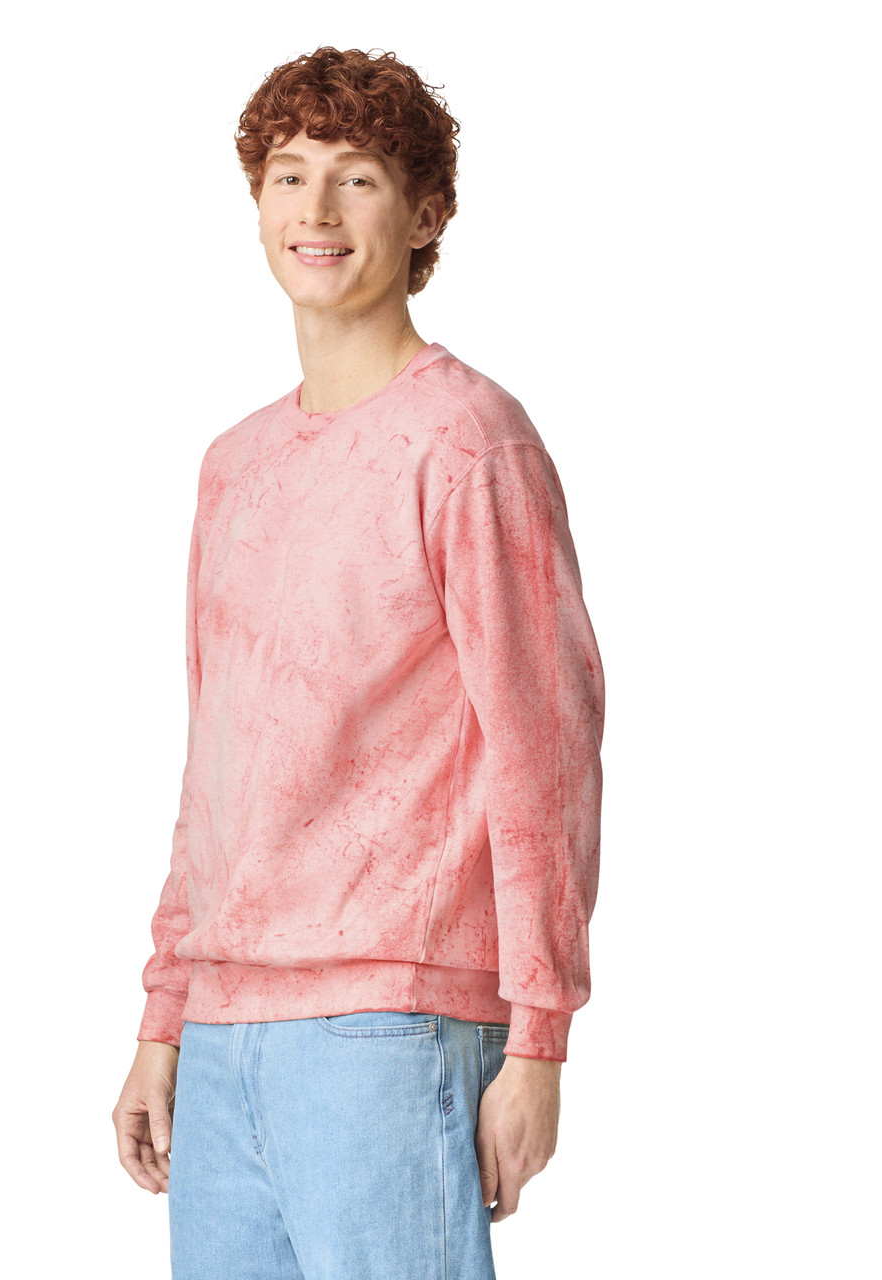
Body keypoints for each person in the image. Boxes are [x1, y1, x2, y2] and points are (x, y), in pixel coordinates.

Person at [112, 45, 605, 1280]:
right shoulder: (234, 465)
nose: (316, 209)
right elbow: (215, 763)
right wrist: (165, 1014)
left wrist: (538, 1037)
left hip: (391, 1024)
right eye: (288, 175)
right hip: (224, 1028)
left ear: (425, 212)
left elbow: (544, 750)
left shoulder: (468, 442)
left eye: (358, 177)